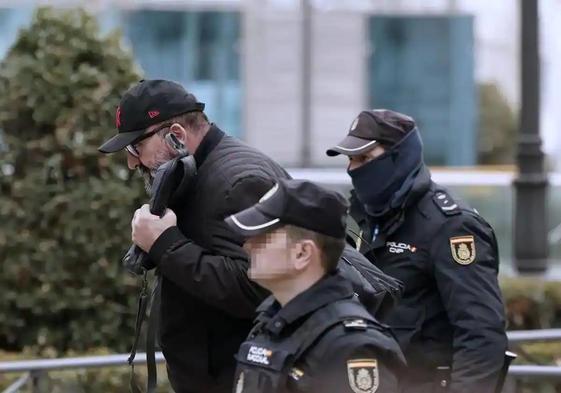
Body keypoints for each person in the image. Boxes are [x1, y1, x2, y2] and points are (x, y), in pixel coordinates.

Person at [98, 79, 290, 393]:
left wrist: (165, 244)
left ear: (176, 135)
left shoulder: (237, 181)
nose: (132, 162)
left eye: (136, 147)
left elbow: (260, 289)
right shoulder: (196, 173)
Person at [326, 109, 508, 393]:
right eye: (350, 159)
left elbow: (481, 334)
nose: (353, 169)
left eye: (364, 158)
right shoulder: (367, 218)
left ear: (400, 157)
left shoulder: (451, 226)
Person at [225, 179, 405, 393]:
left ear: (302, 253)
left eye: (263, 237)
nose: (247, 246)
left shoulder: (352, 347)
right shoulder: (271, 323)